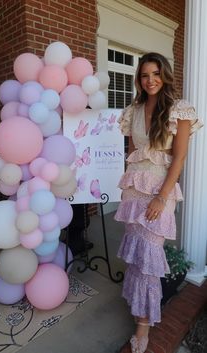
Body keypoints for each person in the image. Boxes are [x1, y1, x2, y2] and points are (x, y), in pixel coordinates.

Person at [114, 52, 203, 353]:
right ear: (139, 79)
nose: (150, 80)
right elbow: (134, 153)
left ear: (164, 74)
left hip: (159, 194)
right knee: (135, 256)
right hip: (133, 192)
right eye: (144, 75)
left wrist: (162, 197)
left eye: (155, 73)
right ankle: (137, 307)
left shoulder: (180, 110)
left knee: (149, 259)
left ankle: (143, 326)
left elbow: (178, 157)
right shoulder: (133, 110)